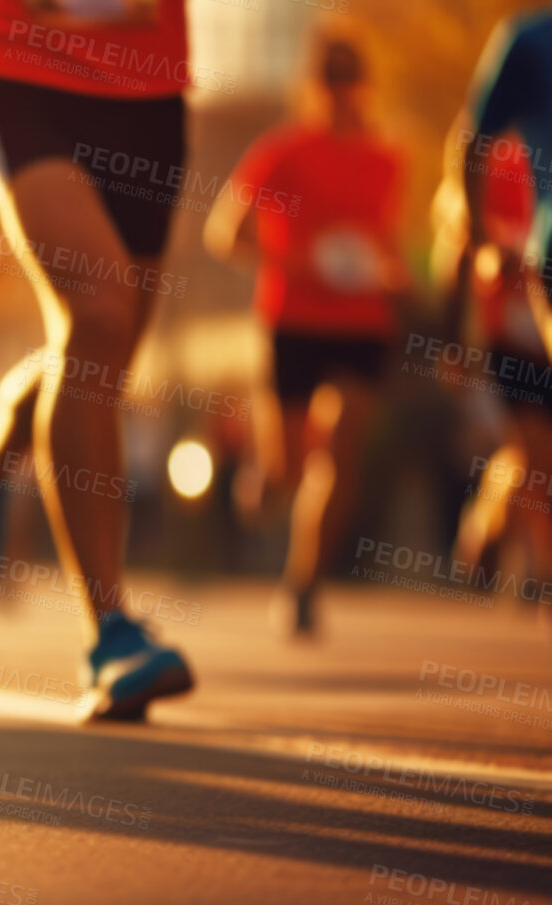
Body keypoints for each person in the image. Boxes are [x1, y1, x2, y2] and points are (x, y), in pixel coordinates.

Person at [0, 0, 194, 720]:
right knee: (101, 312)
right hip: (25, 75)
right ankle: (110, 633)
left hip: (147, 93)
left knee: (99, 360)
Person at [205, 34, 408, 639]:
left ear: (364, 86)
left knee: (342, 450)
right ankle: (265, 472)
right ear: (312, 88)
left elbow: (386, 240)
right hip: (292, 319)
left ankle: (304, 582)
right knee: (292, 466)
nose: (341, 95)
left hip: (361, 324)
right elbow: (227, 234)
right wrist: (292, 260)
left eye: (350, 81)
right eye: (330, 82)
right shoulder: (281, 153)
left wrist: (390, 274)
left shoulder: (388, 158)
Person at [447, 11, 552, 619]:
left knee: (537, 456)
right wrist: (455, 331)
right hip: (510, 331)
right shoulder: (529, 45)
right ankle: (539, 567)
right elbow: (459, 243)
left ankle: (511, 541)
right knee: (535, 449)